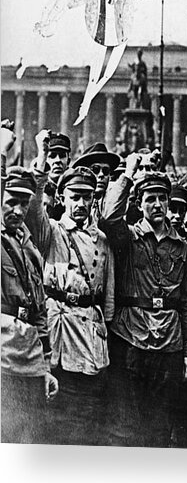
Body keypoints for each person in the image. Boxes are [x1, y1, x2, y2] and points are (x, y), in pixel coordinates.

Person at [100, 154, 187, 447]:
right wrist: (129, 172)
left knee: (161, 427)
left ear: (168, 203)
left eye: (162, 199)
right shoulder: (127, 238)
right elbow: (108, 216)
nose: (157, 204)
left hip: (169, 344)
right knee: (128, 426)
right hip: (131, 339)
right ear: (139, 203)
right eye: (150, 198)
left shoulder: (181, 246)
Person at [26, 130, 115, 446]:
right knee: (58, 420)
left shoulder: (101, 241)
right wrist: (40, 157)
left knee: (88, 418)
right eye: (74, 196)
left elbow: (108, 297)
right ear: (62, 198)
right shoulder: (52, 231)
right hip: (59, 334)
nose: (80, 203)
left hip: (91, 337)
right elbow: (33, 208)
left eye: (86, 196)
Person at [1, 123, 58, 443]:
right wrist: (2, 149)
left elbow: (38, 312)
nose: (18, 210)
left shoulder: (30, 248)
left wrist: (45, 366)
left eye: (24, 203)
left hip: (28, 361)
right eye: (11, 201)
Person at [73, 141, 121, 219]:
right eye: (95, 169)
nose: (101, 175)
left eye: (106, 171)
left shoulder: (114, 203)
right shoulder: (75, 203)